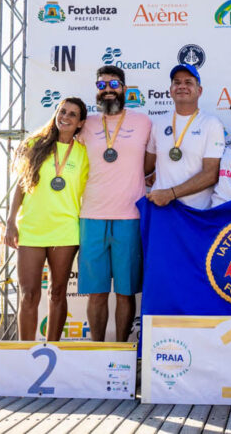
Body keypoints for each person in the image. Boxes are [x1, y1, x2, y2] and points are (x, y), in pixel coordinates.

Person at [4, 97, 89, 341]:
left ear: (80, 122)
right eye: (62, 111)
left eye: (73, 114)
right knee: (29, 294)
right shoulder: (35, 144)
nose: (66, 117)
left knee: (58, 292)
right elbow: (20, 186)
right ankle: (25, 350)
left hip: (65, 230)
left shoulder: (84, 154)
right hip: (31, 228)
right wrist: (11, 221)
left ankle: (53, 349)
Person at [77, 65, 151, 342]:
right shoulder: (86, 124)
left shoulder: (144, 123)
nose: (108, 90)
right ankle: (97, 351)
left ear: (124, 88)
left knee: (125, 291)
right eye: (102, 85)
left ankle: (122, 354)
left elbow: (152, 162)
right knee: (96, 292)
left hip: (130, 216)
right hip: (92, 216)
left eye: (114, 84)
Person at [144, 63, 225, 209]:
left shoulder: (211, 124)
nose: (182, 86)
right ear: (170, 90)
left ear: (199, 91)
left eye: (188, 82)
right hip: (161, 209)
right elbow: (145, 167)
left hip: (195, 212)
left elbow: (211, 174)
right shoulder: (159, 123)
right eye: (177, 82)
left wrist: (170, 194)